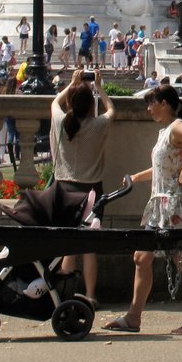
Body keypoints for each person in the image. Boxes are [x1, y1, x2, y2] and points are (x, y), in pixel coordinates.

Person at [105, 84, 182, 335]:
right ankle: (134, 317)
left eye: (151, 103)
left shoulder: (177, 126)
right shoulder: (167, 130)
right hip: (163, 204)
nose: (148, 108)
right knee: (142, 257)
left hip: (174, 203)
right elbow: (163, 168)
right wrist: (137, 176)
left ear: (165, 103)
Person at [50, 69, 114, 300]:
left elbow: (56, 102)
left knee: (68, 244)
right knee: (88, 247)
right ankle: (89, 294)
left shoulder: (60, 121)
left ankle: (64, 292)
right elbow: (111, 110)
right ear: (90, 105)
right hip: (91, 191)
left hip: (64, 189)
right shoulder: (97, 126)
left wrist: (72, 83)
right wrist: (99, 88)